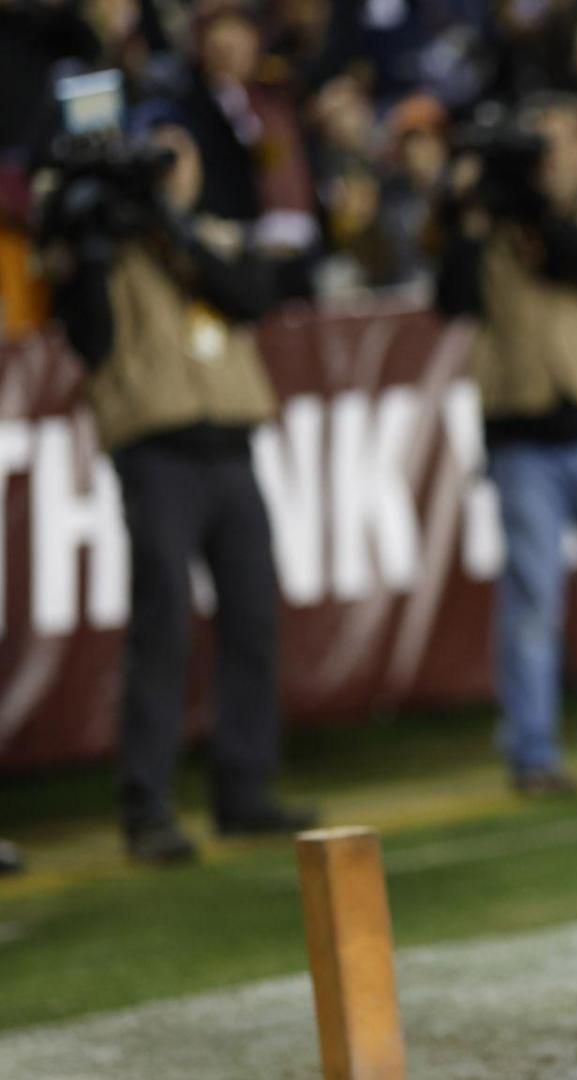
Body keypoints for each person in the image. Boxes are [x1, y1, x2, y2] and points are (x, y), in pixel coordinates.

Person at [43, 115, 314, 865]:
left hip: (232, 448)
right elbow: (89, 339)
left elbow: (250, 296)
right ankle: (148, 808)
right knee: (162, 628)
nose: (169, 169)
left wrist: (171, 226)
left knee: (254, 620)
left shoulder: (213, 239)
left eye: (178, 155)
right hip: (155, 452)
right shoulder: (105, 251)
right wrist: (95, 244)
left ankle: (245, 791)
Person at [435, 96, 577, 795]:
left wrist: (534, 212)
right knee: (533, 597)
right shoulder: (490, 224)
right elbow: (450, 297)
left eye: (556, 148)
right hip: (523, 435)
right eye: (537, 151)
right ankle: (532, 753)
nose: (547, 162)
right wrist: (464, 214)